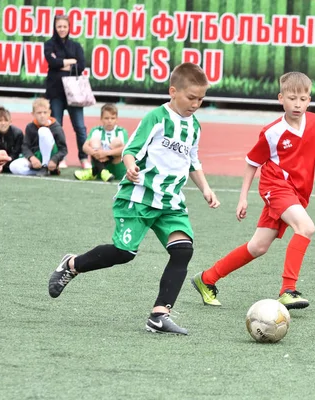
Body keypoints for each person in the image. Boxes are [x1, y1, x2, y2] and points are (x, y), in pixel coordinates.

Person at [48, 63, 220, 336]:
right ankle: (71, 264)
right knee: (124, 253)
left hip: (170, 203)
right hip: (139, 197)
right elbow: (132, 149)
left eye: (201, 99)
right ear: (173, 91)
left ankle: (159, 315)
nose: (196, 104)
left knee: (183, 250)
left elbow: (192, 161)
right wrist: (129, 165)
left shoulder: (194, 127)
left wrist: (206, 188)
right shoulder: (156, 118)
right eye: (191, 98)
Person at [191, 72, 315, 310]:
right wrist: (243, 197)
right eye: (292, 98)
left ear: (309, 100)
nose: (298, 104)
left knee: (258, 247)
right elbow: (252, 162)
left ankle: (207, 278)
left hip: (296, 193)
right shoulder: (272, 131)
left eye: (303, 99)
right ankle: (288, 290)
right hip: (275, 186)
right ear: (280, 98)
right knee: (306, 227)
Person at [44, 14, 90, 169]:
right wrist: (71, 61)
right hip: (56, 92)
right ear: (55, 28)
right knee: (57, 126)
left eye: (64, 26)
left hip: (75, 93)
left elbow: (82, 65)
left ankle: (84, 158)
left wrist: (60, 64)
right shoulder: (49, 44)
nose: (62, 29)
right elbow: (51, 62)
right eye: (59, 27)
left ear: (69, 27)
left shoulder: (76, 46)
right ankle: (59, 158)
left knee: (80, 127)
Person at [9, 98, 67, 176]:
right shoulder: (30, 127)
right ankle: (39, 172)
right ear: (33, 114)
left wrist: (54, 160)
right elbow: (25, 146)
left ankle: (45, 166)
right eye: (39, 113)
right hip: (36, 157)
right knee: (13, 167)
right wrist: (31, 158)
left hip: (51, 157)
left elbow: (63, 149)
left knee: (43, 131)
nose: (42, 115)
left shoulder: (56, 127)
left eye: (45, 112)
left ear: (49, 113)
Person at [74, 103, 129, 182]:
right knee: (94, 141)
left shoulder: (121, 131)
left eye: (112, 118)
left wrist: (106, 153)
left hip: (116, 169)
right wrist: (96, 153)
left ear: (117, 119)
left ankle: (93, 172)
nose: (109, 121)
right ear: (101, 118)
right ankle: (103, 171)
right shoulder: (96, 130)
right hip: (100, 164)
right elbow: (85, 147)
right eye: (106, 118)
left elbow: (125, 149)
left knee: (116, 142)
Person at [0, 106, 23, 174]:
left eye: (6, 120)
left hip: (12, 161)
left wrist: (4, 163)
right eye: (0, 120)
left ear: (10, 122)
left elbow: (16, 153)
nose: (3, 123)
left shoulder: (18, 134)